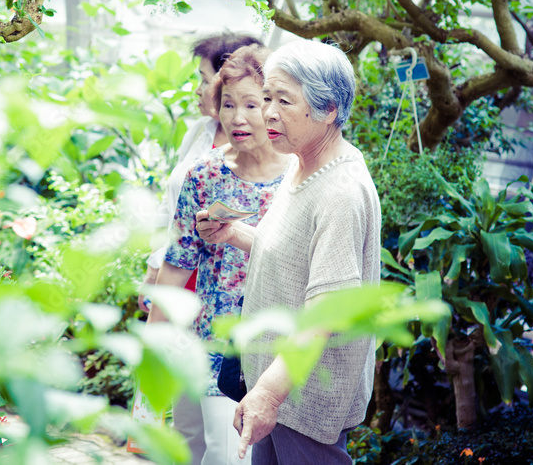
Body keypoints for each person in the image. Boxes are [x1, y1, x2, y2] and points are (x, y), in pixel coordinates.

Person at [195, 39, 381, 465]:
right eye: (267, 98)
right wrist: (234, 233)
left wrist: (266, 395)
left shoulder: (340, 191)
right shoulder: (302, 163)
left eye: (284, 100)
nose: (268, 113)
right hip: (278, 388)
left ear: (328, 109)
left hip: (303, 396)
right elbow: (296, 256)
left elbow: (326, 312)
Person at [146, 45, 288, 465]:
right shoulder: (204, 173)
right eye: (228, 104)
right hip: (200, 335)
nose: (237, 117)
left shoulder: (298, 178)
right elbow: (179, 260)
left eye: (251, 104)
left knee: (228, 456)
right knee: (184, 448)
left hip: (260, 349)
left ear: (274, 108)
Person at [139, 31, 264, 311]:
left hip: (227, 287)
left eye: (205, 80)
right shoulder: (199, 132)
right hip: (178, 270)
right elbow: (170, 204)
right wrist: (154, 265)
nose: (198, 89)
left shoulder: (270, 151)